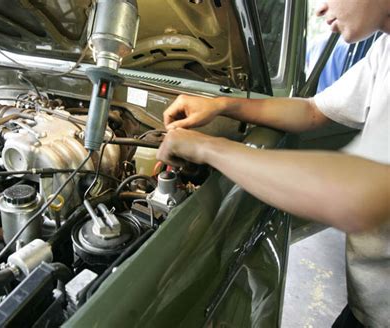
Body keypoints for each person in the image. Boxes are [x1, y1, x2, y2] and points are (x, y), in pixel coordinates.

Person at [156, 0, 389, 327]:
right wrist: (221, 105)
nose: (320, 8)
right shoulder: (384, 49)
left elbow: (359, 198)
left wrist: (209, 148)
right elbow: (312, 110)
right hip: (369, 304)